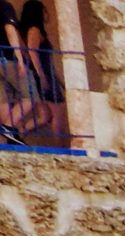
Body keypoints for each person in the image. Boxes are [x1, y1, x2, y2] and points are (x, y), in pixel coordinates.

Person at [20, 3, 60, 140]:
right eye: (45, 11)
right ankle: (62, 145)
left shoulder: (32, 30)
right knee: (56, 115)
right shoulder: (35, 29)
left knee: (45, 116)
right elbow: (32, 53)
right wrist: (41, 76)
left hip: (43, 73)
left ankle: (17, 133)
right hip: (43, 74)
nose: (47, 14)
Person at [0, 1, 26, 147]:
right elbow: (10, 31)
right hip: (6, 58)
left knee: (3, 101)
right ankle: (8, 128)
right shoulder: (4, 6)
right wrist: (20, 58)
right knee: (31, 96)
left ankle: (10, 138)